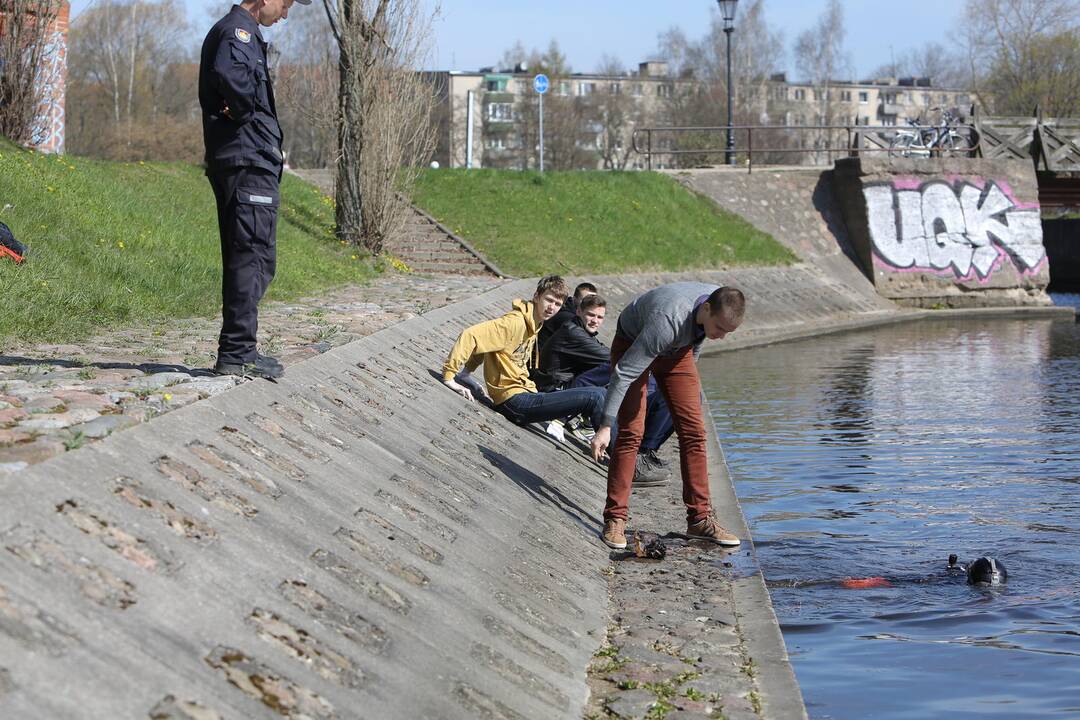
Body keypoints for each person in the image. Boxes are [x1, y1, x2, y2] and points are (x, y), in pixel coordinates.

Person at [590, 283, 746, 549]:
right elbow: (623, 374)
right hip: (634, 342)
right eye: (719, 329)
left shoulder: (714, 308)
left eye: (727, 332)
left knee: (695, 432)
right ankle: (615, 518)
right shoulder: (669, 320)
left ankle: (699, 519)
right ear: (706, 308)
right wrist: (605, 425)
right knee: (631, 432)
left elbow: (695, 341)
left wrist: (681, 386)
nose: (721, 336)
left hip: (676, 351)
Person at [199, 0, 308, 380]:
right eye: (287, 4)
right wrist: (246, 116)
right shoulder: (238, 32)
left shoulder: (242, 33)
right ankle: (237, 353)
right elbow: (232, 79)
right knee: (251, 256)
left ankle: (241, 349)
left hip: (249, 159)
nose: (286, 14)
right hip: (247, 159)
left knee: (253, 255)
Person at [441, 276, 606, 433]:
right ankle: (617, 455)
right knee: (595, 396)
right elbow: (471, 335)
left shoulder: (536, 322)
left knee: (601, 394)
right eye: (548, 300)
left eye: (557, 304)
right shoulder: (515, 322)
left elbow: (486, 344)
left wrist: (466, 373)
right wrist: (449, 377)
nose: (551, 307)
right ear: (536, 296)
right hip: (514, 401)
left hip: (526, 391)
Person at [542, 294, 673, 486]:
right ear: (578, 312)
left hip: (579, 391)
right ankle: (628, 464)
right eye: (591, 315)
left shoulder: (585, 334)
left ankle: (644, 453)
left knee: (665, 395)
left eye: (600, 317)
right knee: (613, 376)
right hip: (559, 393)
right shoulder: (573, 333)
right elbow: (614, 360)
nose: (595, 321)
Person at [537, 281, 597, 349]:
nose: (590, 305)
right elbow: (588, 345)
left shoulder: (572, 311)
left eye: (592, 301)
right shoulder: (567, 318)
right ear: (574, 299)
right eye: (584, 301)